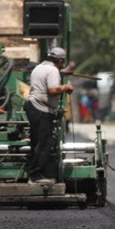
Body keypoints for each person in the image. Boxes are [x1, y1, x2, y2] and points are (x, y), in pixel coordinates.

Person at [25, 46, 74, 185]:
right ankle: (36, 176)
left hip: (32, 107)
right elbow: (52, 90)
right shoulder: (52, 71)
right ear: (59, 60)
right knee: (44, 144)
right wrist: (65, 87)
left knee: (36, 142)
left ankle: (36, 173)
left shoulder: (39, 67)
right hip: (41, 110)